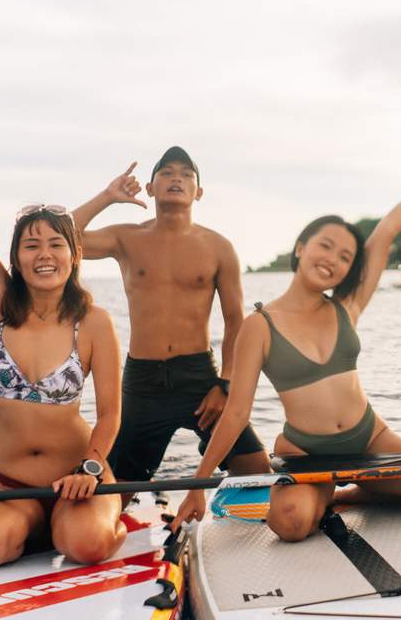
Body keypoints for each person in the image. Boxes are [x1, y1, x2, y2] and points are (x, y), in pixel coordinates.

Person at [170, 170, 401, 539]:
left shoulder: (348, 306)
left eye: (345, 256)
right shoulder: (259, 326)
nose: (332, 259)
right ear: (301, 247)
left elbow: (383, 236)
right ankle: (324, 491)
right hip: (307, 452)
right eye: (325, 246)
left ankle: (355, 492)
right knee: (290, 524)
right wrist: (198, 485)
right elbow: (236, 413)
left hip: (369, 438)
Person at [0, 94, 126, 566]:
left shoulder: (95, 322)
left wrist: (91, 467)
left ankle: (104, 520)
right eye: (31, 245)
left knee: (86, 545)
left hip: (78, 479)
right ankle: (32, 526)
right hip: (10, 483)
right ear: (16, 259)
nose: (44, 254)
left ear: (74, 255)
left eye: (56, 244)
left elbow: (109, 415)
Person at [71, 150, 269, 490]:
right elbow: (61, 238)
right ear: (149, 188)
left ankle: (222, 496)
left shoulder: (219, 247)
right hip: (143, 382)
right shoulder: (126, 238)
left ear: (198, 192)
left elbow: (236, 322)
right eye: (166, 172)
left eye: (186, 174)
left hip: (199, 378)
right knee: (117, 487)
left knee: (256, 468)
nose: (176, 178)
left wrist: (225, 384)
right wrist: (107, 197)